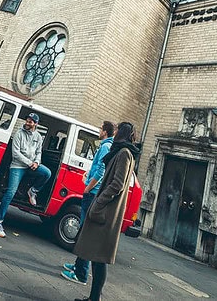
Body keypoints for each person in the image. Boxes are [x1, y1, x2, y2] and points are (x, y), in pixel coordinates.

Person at [71, 122, 140, 301]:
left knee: (99, 258)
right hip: (106, 211)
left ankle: (95, 298)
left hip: (107, 212)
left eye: (117, 130)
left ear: (122, 132)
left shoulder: (124, 153)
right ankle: (93, 298)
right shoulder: (122, 151)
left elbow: (118, 183)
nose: (114, 132)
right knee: (97, 256)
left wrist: (98, 202)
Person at [61, 121, 115, 285]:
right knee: (84, 230)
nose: (99, 130)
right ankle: (78, 266)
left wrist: (88, 188)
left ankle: (81, 274)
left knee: (85, 232)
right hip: (92, 191)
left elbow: (101, 171)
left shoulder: (106, 147)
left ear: (105, 132)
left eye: (100, 128)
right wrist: (88, 174)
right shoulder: (106, 145)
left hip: (91, 193)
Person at [0, 112, 51, 238]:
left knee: (47, 173)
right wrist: (30, 163)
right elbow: (15, 153)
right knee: (10, 192)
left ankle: (33, 191)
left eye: (30, 122)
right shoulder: (19, 133)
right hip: (17, 166)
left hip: (31, 165)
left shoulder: (38, 136)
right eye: (27, 121)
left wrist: (37, 162)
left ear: (36, 124)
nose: (27, 123)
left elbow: (39, 152)